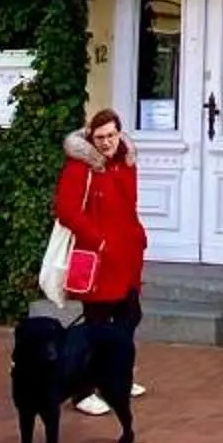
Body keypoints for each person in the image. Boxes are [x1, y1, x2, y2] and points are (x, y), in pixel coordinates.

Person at [54, 109, 149, 417]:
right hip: (98, 258)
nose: (106, 142)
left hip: (126, 255)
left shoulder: (125, 164)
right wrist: (98, 240)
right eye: (100, 137)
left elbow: (128, 206)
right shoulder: (80, 167)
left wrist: (138, 236)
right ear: (90, 138)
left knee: (129, 315)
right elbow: (66, 210)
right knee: (95, 326)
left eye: (111, 135)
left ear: (119, 134)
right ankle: (82, 391)